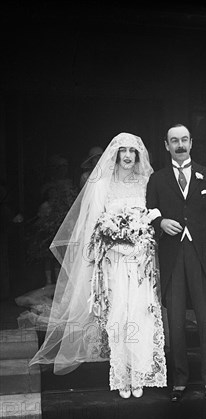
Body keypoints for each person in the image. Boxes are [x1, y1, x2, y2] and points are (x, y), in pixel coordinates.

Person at [29, 133, 167, 399]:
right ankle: (121, 376)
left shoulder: (146, 183)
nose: (127, 156)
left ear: (138, 156)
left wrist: (142, 241)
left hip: (139, 262)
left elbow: (153, 218)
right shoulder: (102, 184)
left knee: (140, 312)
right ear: (115, 154)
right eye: (123, 150)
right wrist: (111, 241)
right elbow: (93, 227)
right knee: (118, 314)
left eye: (132, 151)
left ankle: (139, 373)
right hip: (113, 261)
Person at [146, 123, 206, 401]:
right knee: (176, 319)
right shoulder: (157, 179)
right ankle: (178, 380)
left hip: (202, 257)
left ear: (191, 142)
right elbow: (148, 214)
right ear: (166, 145)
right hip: (172, 257)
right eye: (174, 141)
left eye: (184, 140)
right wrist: (160, 222)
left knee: (205, 318)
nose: (179, 145)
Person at [27, 155, 77, 284]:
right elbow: (42, 199)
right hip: (50, 222)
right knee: (47, 254)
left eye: (64, 167)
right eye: (59, 167)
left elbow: (72, 202)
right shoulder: (49, 185)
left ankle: (60, 282)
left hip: (64, 221)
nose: (62, 169)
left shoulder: (70, 184)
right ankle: (49, 282)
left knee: (61, 253)